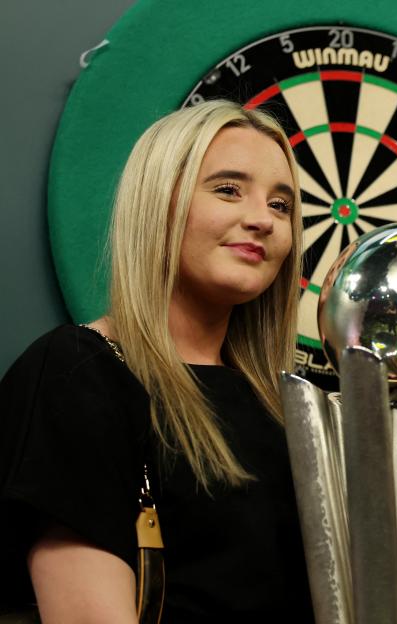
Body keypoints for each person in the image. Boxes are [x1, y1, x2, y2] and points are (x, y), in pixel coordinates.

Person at [0, 101, 314, 621]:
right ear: (157, 205)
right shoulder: (79, 373)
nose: (262, 219)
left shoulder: (290, 409)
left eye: (281, 205)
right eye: (228, 189)